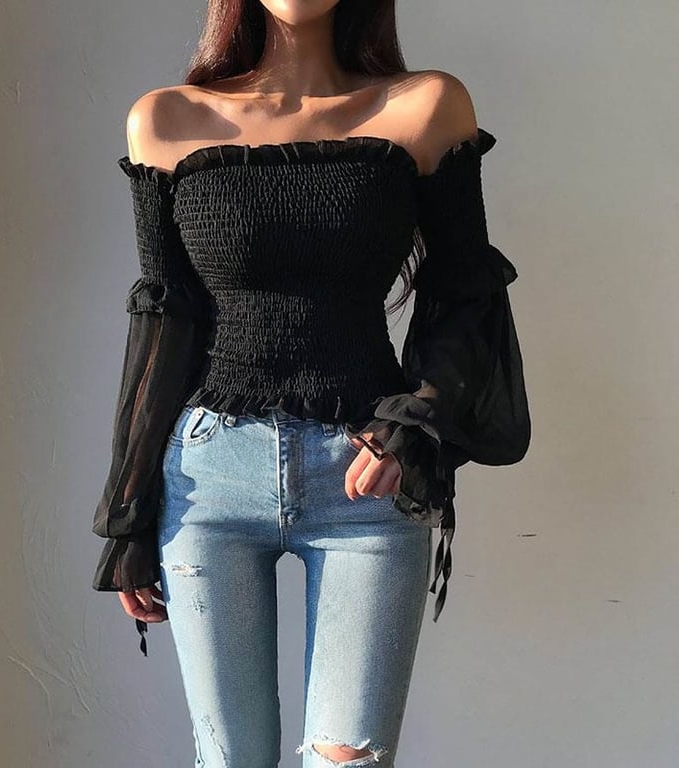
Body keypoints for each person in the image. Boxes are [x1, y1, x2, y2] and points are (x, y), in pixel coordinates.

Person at [91, 1, 531, 765]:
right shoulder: (165, 121)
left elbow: (467, 295)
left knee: (348, 761)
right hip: (208, 484)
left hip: (365, 480)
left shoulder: (424, 108)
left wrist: (412, 422)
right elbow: (165, 321)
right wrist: (128, 514)